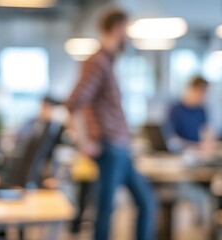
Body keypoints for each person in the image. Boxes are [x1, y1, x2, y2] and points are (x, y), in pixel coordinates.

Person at [66, 8, 157, 240]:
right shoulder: (97, 62)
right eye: (126, 29)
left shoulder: (107, 61)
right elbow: (75, 102)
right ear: (118, 28)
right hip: (110, 147)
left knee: (145, 202)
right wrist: (83, 142)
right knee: (106, 209)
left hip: (120, 147)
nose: (127, 35)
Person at [166, 76, 210, 148]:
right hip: (181, 152)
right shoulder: (176, 110)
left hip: (199, 151)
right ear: (191, 89)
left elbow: (205, 131)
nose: (203, 97)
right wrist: (192, 145)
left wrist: (208, 140)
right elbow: (171, 138)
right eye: (201, 92)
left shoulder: (201, 110)